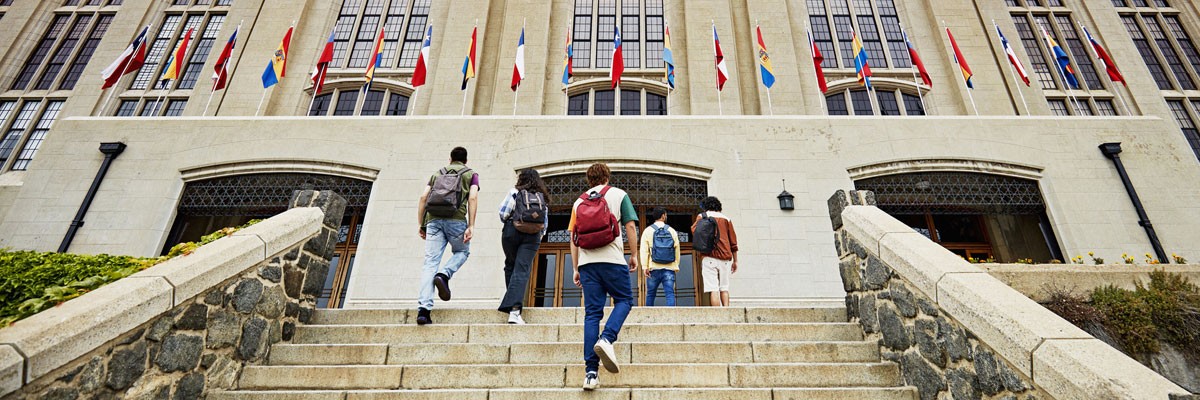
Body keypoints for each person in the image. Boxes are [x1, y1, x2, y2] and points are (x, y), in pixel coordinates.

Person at [569, 163, 639, 390]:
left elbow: (573, 238)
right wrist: (634, 254)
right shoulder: (619, 195)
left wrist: (576, 267)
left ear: (588, 179)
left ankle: (590, 373)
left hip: (588, 264)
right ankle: (607, 338)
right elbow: (629, 226)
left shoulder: (578, 202)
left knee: (592, 314)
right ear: (607, 177)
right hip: (613, 261)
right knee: (625, 300)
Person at [414, 147, 479, 325]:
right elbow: (472, 197)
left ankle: (424, 311)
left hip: (433, 221)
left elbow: (423, 197)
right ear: (466, 160)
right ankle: (444, 274)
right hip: (456, 220)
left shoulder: (437, 174)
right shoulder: (471, 174)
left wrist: (422, 224)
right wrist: (471, 225)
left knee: (430, 263)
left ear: (450, 159)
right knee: (462, 252)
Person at [496, 169, 550, 324]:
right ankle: (514, 312)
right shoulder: (542, 197)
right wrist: (538, 235)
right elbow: (544, 223)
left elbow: (503, 213)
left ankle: (513, 306)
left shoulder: (515, 192)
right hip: (533, 235)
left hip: (512, 231)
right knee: (522, 269)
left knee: (510, 265)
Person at [692, 196, 738, 307]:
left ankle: (717, 316)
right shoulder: (726, 219)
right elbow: (733, 242)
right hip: (725, 257)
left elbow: (694, 230)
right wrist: (735, 260)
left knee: (713, 289)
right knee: (724, 288)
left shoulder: (701, 216)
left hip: (708, 256)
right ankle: (726, 313)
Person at [639, 207, 680, 306]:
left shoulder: (648, 231)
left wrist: (645, 267)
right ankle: (671, 317)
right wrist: (676, 265)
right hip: (669, 267)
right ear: (663, 216)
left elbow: (644, 250)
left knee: (650, 294)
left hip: (653, 267)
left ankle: (648, 317)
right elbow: (677, 249)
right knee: (670, 294)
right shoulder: (672, 230)